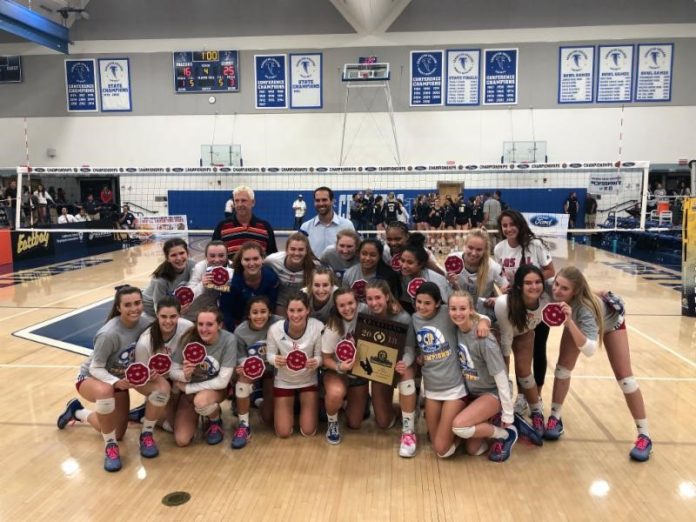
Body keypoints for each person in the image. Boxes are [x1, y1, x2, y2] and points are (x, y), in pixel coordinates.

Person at [545, 267, 652, 461]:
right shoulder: (552, 286)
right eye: (557, 284)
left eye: (564, 288)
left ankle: (644, 436)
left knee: (626, 379)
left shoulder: (585, 309)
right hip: (578, 321)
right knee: (562, 369)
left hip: (611, 323)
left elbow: (590, 350)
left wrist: (569, 323)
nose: (557, 291)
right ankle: (555, 417)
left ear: (575, 292)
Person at [56, 286, 152, 472]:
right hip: (92, 378)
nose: (134, 308)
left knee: (119, 432)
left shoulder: (146, 323)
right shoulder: (108, 333)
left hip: (117, 380)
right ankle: (110, 447)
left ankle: (77, 412)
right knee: (106, 393)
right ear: (118, 308)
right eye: (128, 305)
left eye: (137, 303)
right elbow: (95, 367)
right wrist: (115, 382)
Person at [494, 209, 555, 414]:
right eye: (504, 225)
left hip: (537, 304)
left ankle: (535, 395)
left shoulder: (535, 245)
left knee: (538, 349)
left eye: (512, 224)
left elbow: (550, 271)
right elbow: (502, 277)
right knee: (516, 350)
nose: (509, 228)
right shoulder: (499, 249)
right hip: (515, 306)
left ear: (520, 224)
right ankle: (520, 396)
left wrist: (529, 282)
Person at [449, 291, 518, 462]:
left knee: (460, 427)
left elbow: (502, 378)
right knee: (474, 449)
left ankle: (507, 433)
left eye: (463, 308)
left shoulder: (484, 339)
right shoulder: (456, 330)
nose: (457, 313)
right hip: (474, 393)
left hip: (492, 392)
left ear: (471, 310)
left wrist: (508, 414)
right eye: (453, 309)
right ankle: (491, 421)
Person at [494, 265, 550, 444]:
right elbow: (506, 339)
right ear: (518, 286)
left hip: (525, 331)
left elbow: (577, 289)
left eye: (537, 282)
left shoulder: (547, 298)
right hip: (498, 333)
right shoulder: (505, 304)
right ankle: (500, 410)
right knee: (499, 373)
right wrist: (505, 379)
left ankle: (536, 411)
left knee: (524, 372)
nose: (534, 287)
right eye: (528, 283)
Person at [410, 283, 467, 459]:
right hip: (433, 390)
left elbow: (475, 311)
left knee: (441, 450)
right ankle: (453, 432)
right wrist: (419, 355)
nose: (421, 306)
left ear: (437, 304)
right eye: (419, 302)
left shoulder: (447, 313)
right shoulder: (415, 318)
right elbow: (415, 346)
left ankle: (464, 435)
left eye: (427, 303)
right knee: (434, 441)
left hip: (454, 389)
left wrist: (484, 322)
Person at [364, 280, 418, 457]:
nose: (374, 303)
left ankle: (408, 432)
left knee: (407, 376)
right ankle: (403, 410)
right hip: (380, 367)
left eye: (378, 297)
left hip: (401, 364)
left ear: (387, 297)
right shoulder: (365, 313)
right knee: (383, 422)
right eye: (369, 299)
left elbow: (410, 348)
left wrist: (405, 362)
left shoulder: (403, 317)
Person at [170, 307, 237, 446]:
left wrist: (189, 388)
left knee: (201, 401)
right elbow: (172, 371)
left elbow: (223, 381)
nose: (204, 329)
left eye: (209, 324)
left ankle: (215, 420)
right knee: (182, 440)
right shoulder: (188, 338)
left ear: (220, 325)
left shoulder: (229, 340)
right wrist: (185, 374)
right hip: (188, 394)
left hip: (214, 391)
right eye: (200, 324)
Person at [131, 296, 193, 436]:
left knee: (184, 432)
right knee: (173, 427)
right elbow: (140, 379)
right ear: (157, 315)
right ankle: (149, 416)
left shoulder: (188, 328)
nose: (168, 321)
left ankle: (150, 410)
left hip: (178, 378)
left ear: (180, 315)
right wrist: (154, 378)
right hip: (157, 383)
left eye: (173, 316)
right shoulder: (145, 342)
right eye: (163, 316)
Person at [266, 292, 324, 438]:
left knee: (308, 431)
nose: (296, 315)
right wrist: (275, 360)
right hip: (284, 381)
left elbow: (320, 357)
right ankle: (269, 405)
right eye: (292, 310)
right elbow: (270, 355)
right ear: (286, 311)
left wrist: (316, 362)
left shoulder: (318, 327)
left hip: (308, 380)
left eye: (300, 310)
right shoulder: (275, 329)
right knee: (283, 433)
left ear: (307, 310)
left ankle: (307, 406)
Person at [232, 296, 283, 448]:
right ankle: (243, 425)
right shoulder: (240, 332)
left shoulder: (279, 323)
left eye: (263, 312)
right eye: (255, 312)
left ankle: (259, 401)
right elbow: (240, 359)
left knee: (268, 418)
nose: (259, 316)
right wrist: (243, 366)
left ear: (270, 313)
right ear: (248, 314)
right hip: (252, 372)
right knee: (242, 379)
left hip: (273, 371)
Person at [321, 288, 370, 444]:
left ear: (357, 303)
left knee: (355, 423)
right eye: (342, 305)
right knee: (336, 393)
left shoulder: (366, 311)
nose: (347, 308)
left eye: (351, 303)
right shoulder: (333, 326)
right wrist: (340, 367)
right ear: (336, 307)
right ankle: (332, 422)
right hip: (337, 372)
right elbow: (325, 359)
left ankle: (359, 400)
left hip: (359, 374)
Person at [447, 229, 508, 327]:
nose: (474, 253)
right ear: (464, 245)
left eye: (479, 249)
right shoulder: (453, 260)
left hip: (482, 314)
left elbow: (507, 289)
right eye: (470, 248)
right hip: (458, 311)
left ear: (485, 250)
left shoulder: (494, 267)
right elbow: (445, 289)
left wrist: (498, 299)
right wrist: (451, 283)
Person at [221, 241, 279, 330]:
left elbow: (272, 307)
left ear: (263, 259)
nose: (251, 263)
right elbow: (226, 311)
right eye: (247, 259)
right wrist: (234, 332)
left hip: (264, 322)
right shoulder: (231, 281)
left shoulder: (271, 278)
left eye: (255, 259)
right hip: (238, 324)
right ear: (241, 261)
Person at [212, 185, 277, 260]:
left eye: (243, 200)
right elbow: (214, 254)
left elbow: (272, 258)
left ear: (253, 202)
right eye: (236, 201)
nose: (240, 204)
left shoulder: (265, 227)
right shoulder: (222, 226)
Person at [264, 232, 318, 316]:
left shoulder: (315, 266)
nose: (296, 253)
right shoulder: (272, 260)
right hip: (281, 302)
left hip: (304, 301)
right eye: (293, 249)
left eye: (300, 250)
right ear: (286, 249)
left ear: (306, 251)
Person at [142, 237, 197, 318]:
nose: (179, 258)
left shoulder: (193, 266)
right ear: (167, 258)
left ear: (187, 253)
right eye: (173, 255)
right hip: (150, 308)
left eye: (182, 253)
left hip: (171, 304)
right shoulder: (161, 279)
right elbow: (157, 305)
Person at [397, 233, 451, 314]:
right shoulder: (403, 277)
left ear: (421, 264)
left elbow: (448, 306)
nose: (404, 266)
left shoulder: (434, 280)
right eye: (402, 260)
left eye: (410, 262)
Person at [183, 240, 233, 321]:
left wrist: (227, 286)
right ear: (206, 257)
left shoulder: (232, 268)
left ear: (227, 255)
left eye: (221, 255)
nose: (217, 260)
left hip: (219, 316)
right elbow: (188, 296)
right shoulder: (200, 268)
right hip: (194, 315)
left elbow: (236, 293)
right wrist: (202, 285)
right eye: (212, 256)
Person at [300, 186, 355, 255]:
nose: (321, 203)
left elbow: (354, 251)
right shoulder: (305, 227)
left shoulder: (347, 225)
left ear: (332, 201)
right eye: (317, 200)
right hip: (314, 266)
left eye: (324, 200)